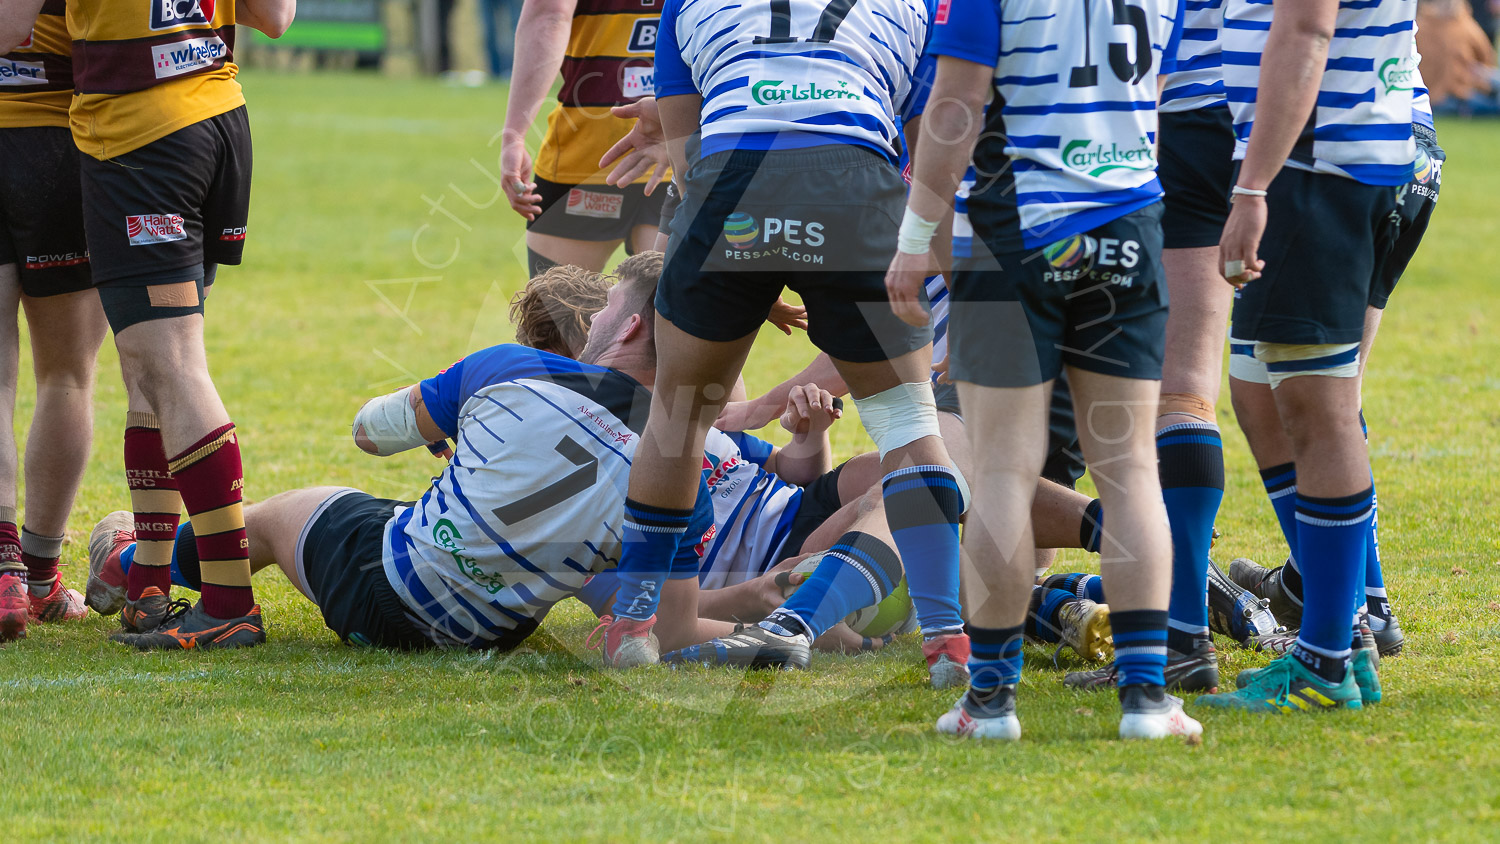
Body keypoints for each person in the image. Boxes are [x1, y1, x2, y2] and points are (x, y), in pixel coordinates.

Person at [596, 0, 978, 691]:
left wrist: (746, 266)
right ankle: (947, 644)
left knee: (679, 418)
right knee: (909, 425)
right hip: (854, 179)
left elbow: (686, 159)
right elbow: (931, 154)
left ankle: (633, 626)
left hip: (730, 181)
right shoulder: (918, 5)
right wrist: (956, 284)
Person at [888, 0, 1202, 740]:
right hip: (1126, 226)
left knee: (1001, 470)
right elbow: (1150, 102)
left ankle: (990, 703)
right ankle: (1146, 701)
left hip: (1015, 231)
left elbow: (955, 104)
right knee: (1130, 469)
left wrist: (916, 233)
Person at [7, 0, 297, 649]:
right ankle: (149, 588)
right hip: (218, 119)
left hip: (140, 140)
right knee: (153, 367)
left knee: (169, 366)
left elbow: (10, 27)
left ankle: (228, 604)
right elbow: (276, 16)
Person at [1197, 0, 1418, 714]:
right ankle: (1343, 636)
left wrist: (1252, 188)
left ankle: (1326, 658)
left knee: (1318, 408)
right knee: (1268, 390)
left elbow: (1307, 29)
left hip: (1314, 164)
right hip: (1325, 159)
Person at [0, 0, 107, 639]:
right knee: (66, 375)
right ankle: (35, 575)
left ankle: (5, 568)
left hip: (47, 137)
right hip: (57, 136)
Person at [499, 0, 667, 276]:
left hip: (588, 149)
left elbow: (550, 16)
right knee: (676, 302)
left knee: (561, 303)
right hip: (685, 143)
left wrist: (514, 137)